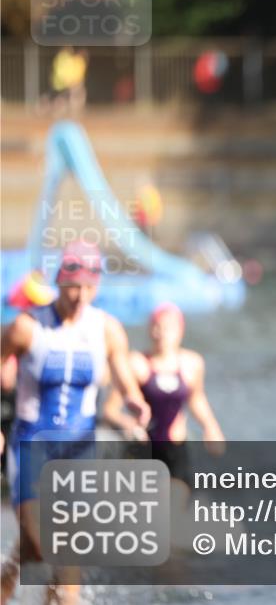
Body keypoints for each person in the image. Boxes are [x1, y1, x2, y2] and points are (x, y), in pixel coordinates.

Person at [0, 241, 151, 605]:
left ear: (97, 286)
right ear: (58, 281)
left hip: (80, 448)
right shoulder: (27, 327)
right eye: (73, 287)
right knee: (38, 543)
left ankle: (60, 598)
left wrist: (134, 399)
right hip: (32, 444)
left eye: (88, 287)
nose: (80, 296)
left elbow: (125, 378)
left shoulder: (107, 329)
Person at [102, 302, 225, 512]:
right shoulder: (136, 364)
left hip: (175, 450)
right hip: (143, 449)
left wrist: (210, 427)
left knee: (173, 511)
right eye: (155, 327)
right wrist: (128, 424)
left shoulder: (192, 363)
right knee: (146, 513)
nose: (160, 334)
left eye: (167, 328)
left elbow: (196, 399)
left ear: (180, 331)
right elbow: (109, 411)